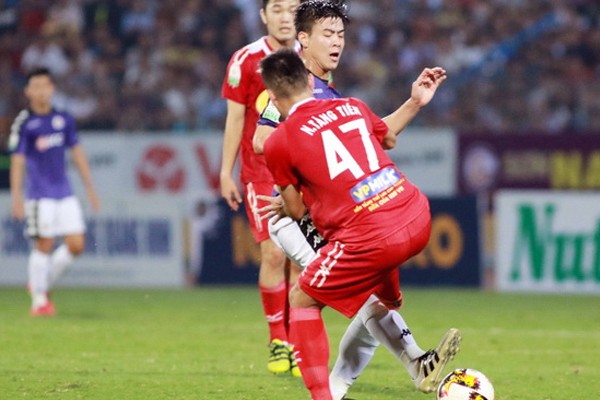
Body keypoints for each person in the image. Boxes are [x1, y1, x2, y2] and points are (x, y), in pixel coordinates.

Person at [254, 2, 460, 399]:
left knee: (369, 295)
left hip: (345, 213)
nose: (336, 43)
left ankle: (363, 379)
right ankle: (411, 363)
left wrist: (414, 103)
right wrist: (302, 183)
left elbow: (380, 137)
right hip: (301, 217)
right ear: (303, 40)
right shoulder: (295, 88)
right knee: (350, 294)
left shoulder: (333, 96)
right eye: (327, 34)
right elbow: (263, 140)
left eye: (341, 35)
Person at [219, 0, 303, 377]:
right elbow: (236, 119)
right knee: (273, 254)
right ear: (264, 15)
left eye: (293, 9)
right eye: (278, 9)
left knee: (300, 259)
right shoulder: (245, 60)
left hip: (301, 171)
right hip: (261, 172)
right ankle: (278, 340)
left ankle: (298, 341)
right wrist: (226, 171)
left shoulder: (312, 53)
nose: (286, 17)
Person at [8, 67, 100, 316]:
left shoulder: (63, 119)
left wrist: (90, 188)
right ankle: (39, 301)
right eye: (35, 86)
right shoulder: (24, 123)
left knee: (76, 245)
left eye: (44, 86)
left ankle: (41, 282)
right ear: (28, 91)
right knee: (44, 243)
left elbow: (77, 153)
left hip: (65, 192)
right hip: (39, 195)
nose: (41, 91)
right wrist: (16, 196)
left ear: (52, 89)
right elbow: (17, 160)